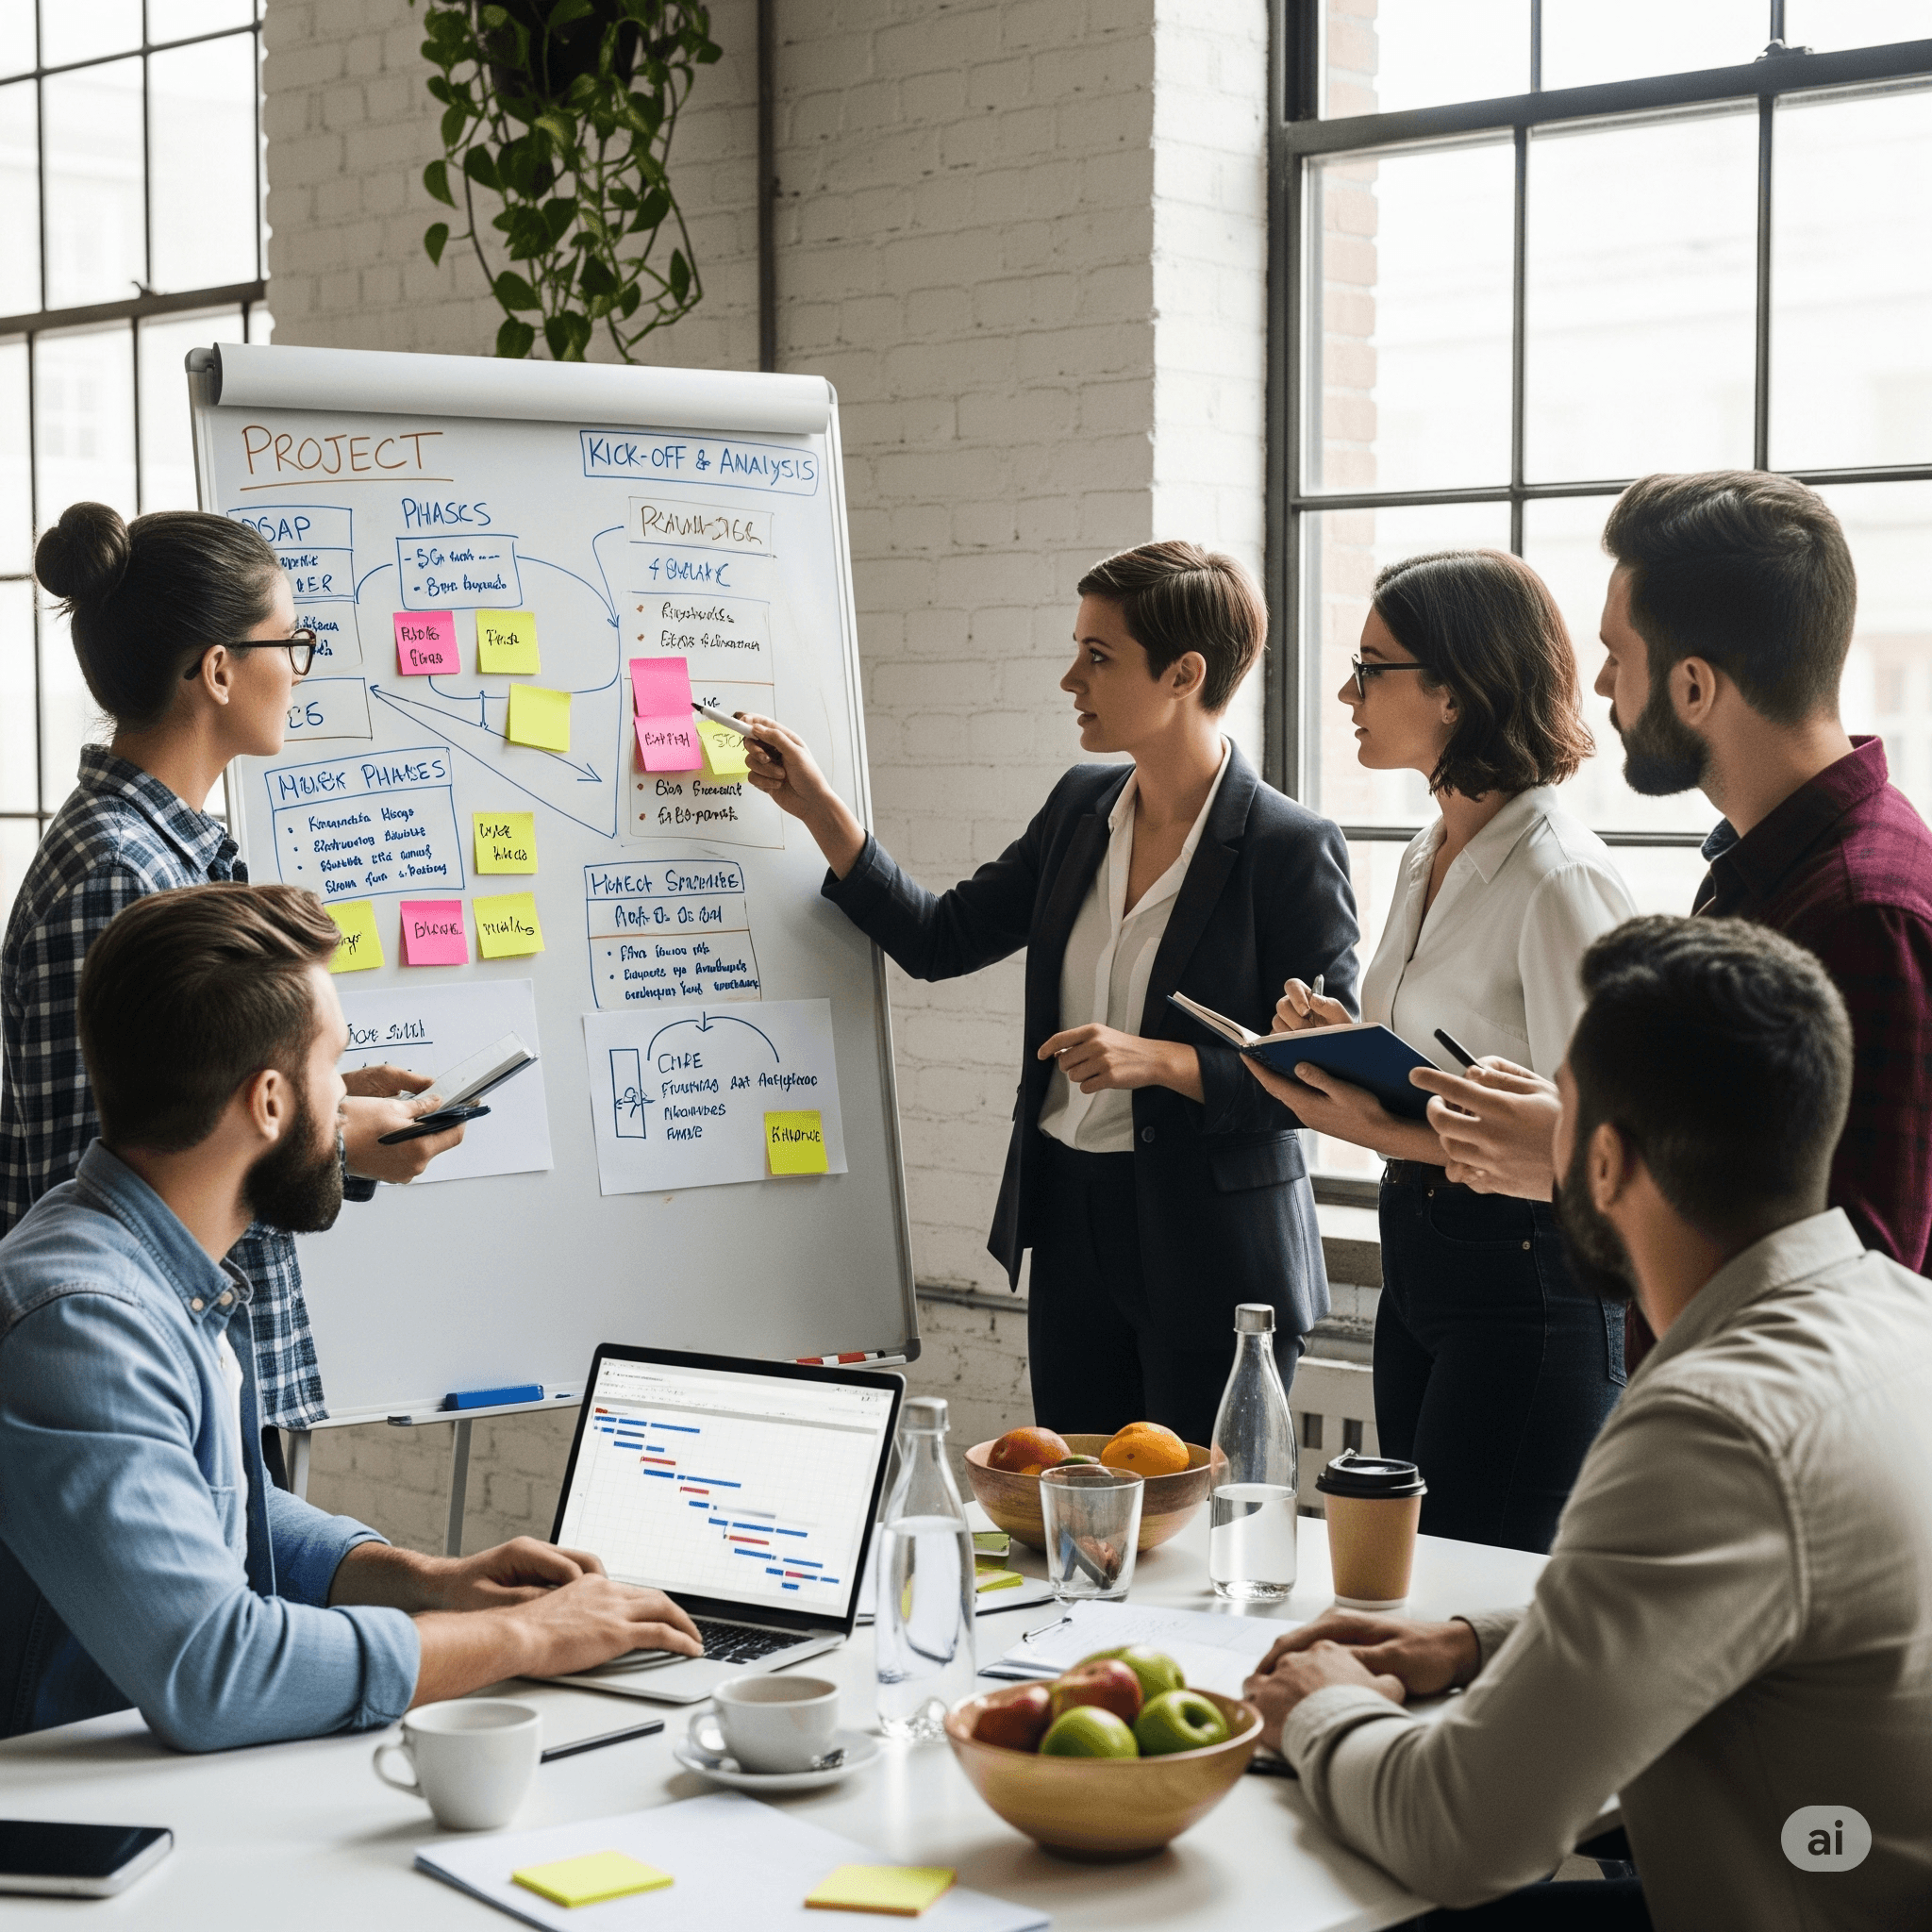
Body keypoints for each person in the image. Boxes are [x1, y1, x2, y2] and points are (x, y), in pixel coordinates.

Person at [1242, 914, 1932, 1929]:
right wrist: (1473, 1640)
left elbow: (1458, 1829)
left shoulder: (1711, 1423)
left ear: (1599, 1163)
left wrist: (1318, 1703)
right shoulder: (1896, 1314)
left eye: (1554, 1106)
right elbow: (1764, 1595)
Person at [0, 883, 702, 1749]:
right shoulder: (85, 1326)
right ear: (268, 1101)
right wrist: (527, 1636)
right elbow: (220, 1672)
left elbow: (215, 1506)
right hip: (72, 1831)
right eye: (332, 1065)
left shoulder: (148, 1262)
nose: (348, 1101)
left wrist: (425, 1580)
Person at [741, 541, 1359, 1447]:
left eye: (1098, 656)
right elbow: (940, 939)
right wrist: (821, 811)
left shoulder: (1289, 847)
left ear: (1184, 673)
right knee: (1074, 1522)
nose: (1071, 678)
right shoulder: (1079, 808)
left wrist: (1163, 1062)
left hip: (1218, 1254)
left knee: (1192, 1542)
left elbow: (1319, 1082)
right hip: (1071, 1225)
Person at [2, 503, 466, 1478]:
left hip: (205, 1373)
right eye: (288, 640)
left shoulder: (171, 854)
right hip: (155, 1402)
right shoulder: (118, 877)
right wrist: (336, 1140)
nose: (298, 666)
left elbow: (184, 1113)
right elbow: (89, 1180)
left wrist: (318, 1093)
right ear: (217, 669)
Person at [1419, 473, 1932, 1285]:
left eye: (1618, 655)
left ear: (1693, 687)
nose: (1599, 685)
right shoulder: (1760, 868)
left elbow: (1853, 1282)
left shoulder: (1863, 912)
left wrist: (1574, 1161)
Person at [1250, 551, 1634, 1553]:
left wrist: (1376, 1126)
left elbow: (1600, 1152)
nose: (1346, 691)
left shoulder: (1559, 877)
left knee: (1474, 1580)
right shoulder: (1431, 845)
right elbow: (1440, 1059)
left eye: (1370, 666)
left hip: (1527, 1283)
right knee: (1415, 1573)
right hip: (1418, 1256)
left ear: (1455, 691)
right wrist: (1333, 1037)